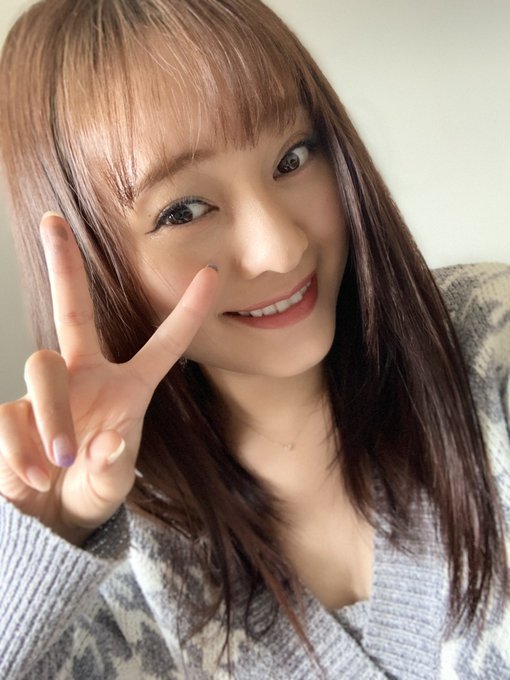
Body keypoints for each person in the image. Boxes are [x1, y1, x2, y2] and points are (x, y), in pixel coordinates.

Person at [0, 0, 508, 677]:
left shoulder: (492, 348)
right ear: (95, 266)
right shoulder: (101, 576)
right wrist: (40, 550)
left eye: (292, 158)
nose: (281, 247)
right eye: (185, 210)